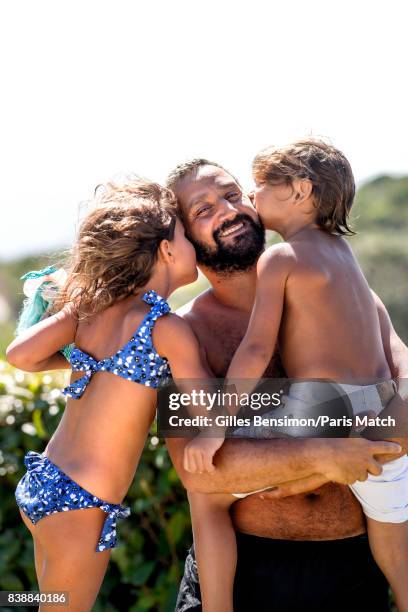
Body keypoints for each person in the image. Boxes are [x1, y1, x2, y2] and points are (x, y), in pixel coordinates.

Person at [164, 158, 408, 611]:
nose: (228, 210)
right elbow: (199, 471)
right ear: (181, 237)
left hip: (355, 571)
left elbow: (407, 388)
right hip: (250, 575)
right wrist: (320, 459)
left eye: (233, 195)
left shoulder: (336, 288)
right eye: (203, 210)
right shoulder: (183, 335)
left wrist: (362, 446)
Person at [6, 178, 211, 611]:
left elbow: (21, 355)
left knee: (49, 601)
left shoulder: (90, 309)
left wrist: (89, 359)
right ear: (167, 251)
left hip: (44, 483)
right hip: (81, 505)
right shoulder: (166, 328)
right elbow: (204, 406)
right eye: (185, 236)